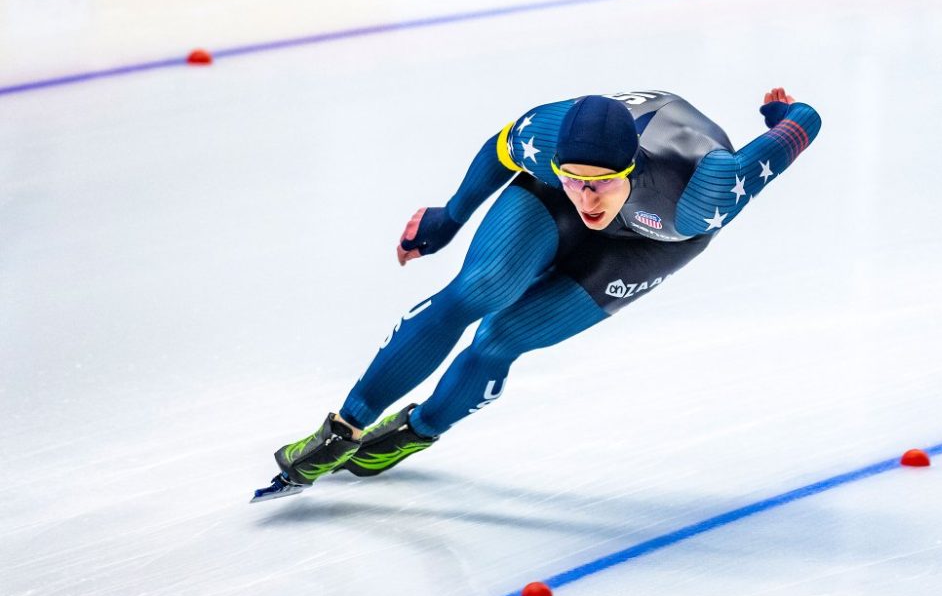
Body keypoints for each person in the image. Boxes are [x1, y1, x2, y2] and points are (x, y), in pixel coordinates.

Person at [253, 87, 821, 501]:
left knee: (502, 335)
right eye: (574, 178)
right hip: (572, 193)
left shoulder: (706, 190)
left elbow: (804, 125)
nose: (586, 197)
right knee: (479, 289)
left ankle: (418, 429)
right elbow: (499, 154)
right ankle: (344, 428)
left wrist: (781, 114)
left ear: (629, 167)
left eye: (598, 183)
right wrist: (449, 219)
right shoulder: (547, 140)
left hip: (658, 232)